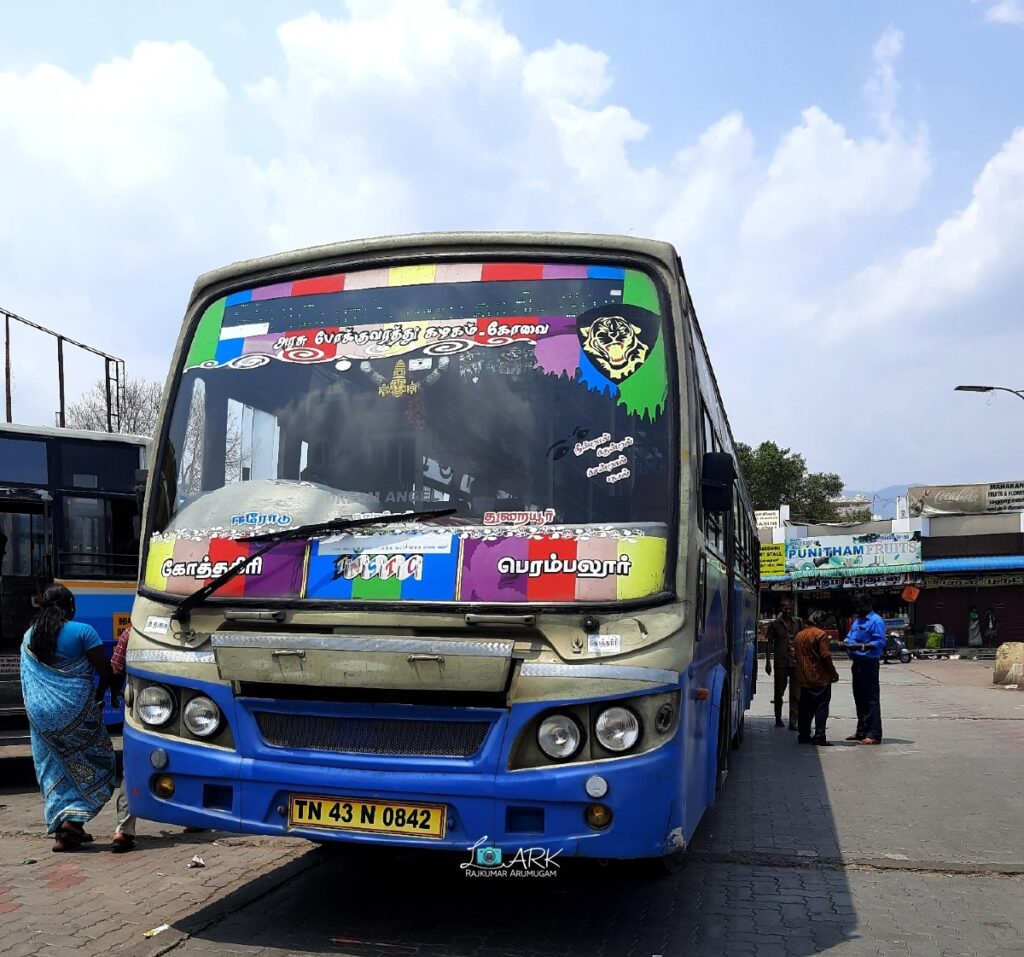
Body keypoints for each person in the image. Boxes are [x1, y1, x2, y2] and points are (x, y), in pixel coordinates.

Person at [19, 584, 117, 851]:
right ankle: (72, 823)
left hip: (40, 716)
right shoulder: (83, 632)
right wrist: (103, 693)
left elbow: (29, 681)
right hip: (76, 712)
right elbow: (105, 673)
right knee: (98, 761)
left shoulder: (29, 636)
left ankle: (65, 829)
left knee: (53, 767)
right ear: (70, 606)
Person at [843, 593, 886, 745]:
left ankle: (873, 733)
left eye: (861, 606)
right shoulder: (858, 620)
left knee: (870, 699)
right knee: (859, 698)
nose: (858, 609)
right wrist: (846, 643)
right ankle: (861, 731)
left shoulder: (876, 621)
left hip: (869, 663)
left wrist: (860, 646)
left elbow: (880, 642)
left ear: (868, 605)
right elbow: (850, 636)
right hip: (857, 663)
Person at [794, 611, 840, 746]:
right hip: (819, 677)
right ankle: (819, 735)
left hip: (803, 677)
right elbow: (825, 655)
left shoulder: (799, 635)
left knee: (805, 708)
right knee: (821, 707)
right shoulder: (821, 634)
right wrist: (833, 673)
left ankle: (803, 734)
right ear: (821, 622)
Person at [764, 598, 803, 730]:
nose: (788, 611)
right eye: (785, 608)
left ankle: (793, 721)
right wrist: (768, 662)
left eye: (789, 608)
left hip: (795, 663)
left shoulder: (798, 623)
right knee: (779, 692)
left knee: (796, 693)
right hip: (780, 663)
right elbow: (769, 643)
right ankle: (778, 718)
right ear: (781, 609)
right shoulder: (775, 625)